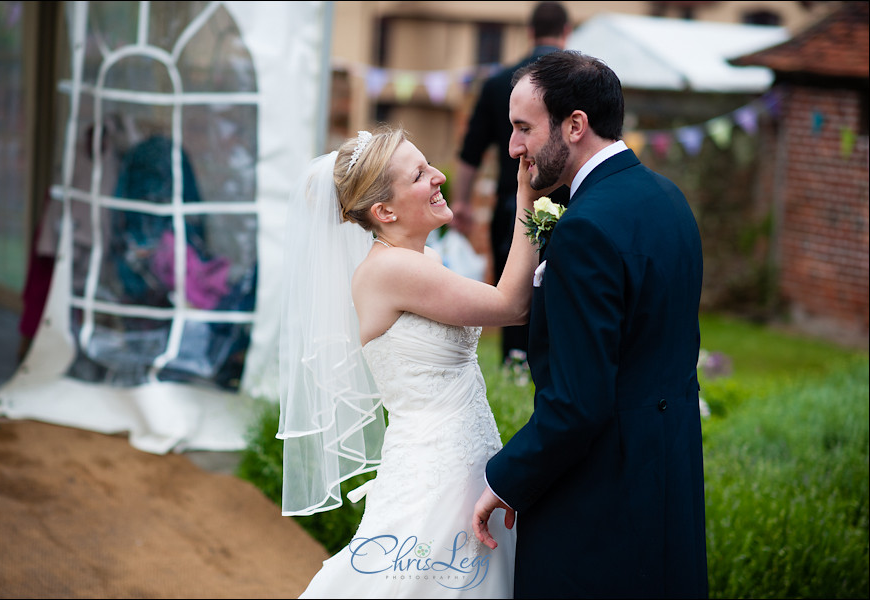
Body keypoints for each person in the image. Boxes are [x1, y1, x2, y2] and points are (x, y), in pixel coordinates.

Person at [472, 50, 709, 598]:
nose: (512, 147)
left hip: (599, 507)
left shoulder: (584, 230)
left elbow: (578, 403)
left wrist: (505, 482)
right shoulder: (669, 200)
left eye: (523, 128)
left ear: (575, 125)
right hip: (668, 487)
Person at [277, 127, 545, 598]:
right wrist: (529, 199)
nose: (439, 175)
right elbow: (511, 306)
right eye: (421, 174)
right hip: (435, 475)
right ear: (385, 211)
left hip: (462, 463)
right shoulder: (392, 270)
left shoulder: (422, 261)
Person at [452, 1, 572, 372]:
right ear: (567, 32)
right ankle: (558, 363)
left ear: (529, 31)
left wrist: (461, 202)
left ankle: (515, 363)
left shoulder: (496, 82)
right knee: (566, 284)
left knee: (514, 282)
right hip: (571, 201)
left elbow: (470, 152)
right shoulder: (575, 85)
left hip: (511, 205)